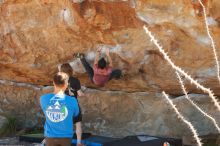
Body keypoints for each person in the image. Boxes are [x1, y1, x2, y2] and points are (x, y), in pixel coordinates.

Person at [40, 72, 79, 146]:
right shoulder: (72, 100)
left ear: (53, 82)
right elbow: (76, 114)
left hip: (50, 137)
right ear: (66, 84)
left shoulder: (43, 99)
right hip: (66, 137)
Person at [60, 63, 85, 146]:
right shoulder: (75, 80)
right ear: (71, 70)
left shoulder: (59, 80)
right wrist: (84, 92)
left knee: (64, 124)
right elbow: (80, 94)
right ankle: (78, 143)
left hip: (63, 105)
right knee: (78, 123)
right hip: (74, 105)